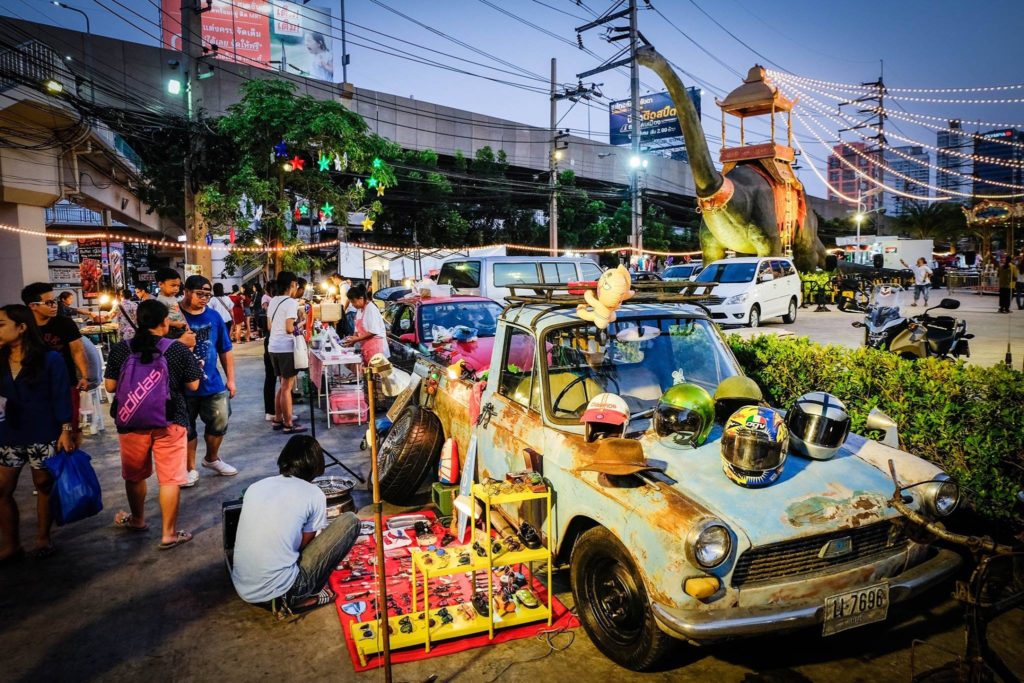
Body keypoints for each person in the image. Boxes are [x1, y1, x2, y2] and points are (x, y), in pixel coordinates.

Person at [104, 300, 203, 550]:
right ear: (164, 322)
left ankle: (137, 520)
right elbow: (194, 386)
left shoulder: (121, 349)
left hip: (132, 422)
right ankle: (168, 534)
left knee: (135, 475)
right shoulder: (177, 350)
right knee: (170, 479)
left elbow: (110, 386)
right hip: (171, 420)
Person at [230, 435, 358, 612]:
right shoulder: (314, 494)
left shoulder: (256, 486)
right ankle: (300, 598)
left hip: (243, 587)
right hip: (284, 592)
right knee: (350, 521)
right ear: (316, 464)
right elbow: (304, 545)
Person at [0, 304, 74, 562]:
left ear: (21, 328)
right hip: (7, 432)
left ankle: (43, 537)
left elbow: (61, 395)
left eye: (1, 325)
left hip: (43, 431)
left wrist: (66, 429)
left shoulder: (49, 359)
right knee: (2, 489)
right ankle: (11, 544)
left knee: (43, 485)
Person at [179, 276, 238, 485]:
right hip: (181, 386)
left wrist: (231, 379)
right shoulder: (174, 316)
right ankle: (189, 469)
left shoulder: (214, 317)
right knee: (186, 428)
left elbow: (225, 349)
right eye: (199, 294)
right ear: (186, 291)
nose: (204, 298)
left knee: (220, 421)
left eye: (207, 295)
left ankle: (212, 458)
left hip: (212, 383)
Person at [20, 283, 89, 433]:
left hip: (66, 383)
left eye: (55, 301)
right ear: (33, 306)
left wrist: (84, 376)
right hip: (35, 385)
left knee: (70, 428)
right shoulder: (23, 327)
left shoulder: (64, 323)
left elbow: (77, 350)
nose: (54, 306)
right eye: (49, 302)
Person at [267, 271, 306, 434]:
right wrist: (301, 324)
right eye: (296, 284)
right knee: (287, 386)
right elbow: (289, 328)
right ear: (291, 284)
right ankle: (288, 423)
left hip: (273, 347)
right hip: (285, 348)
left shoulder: (273, 301)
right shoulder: (290, 302)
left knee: (282, 385)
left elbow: (270, 327)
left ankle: (278, 419)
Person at [342, 284, 390, 364]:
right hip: (366, 347)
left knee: (377, 373)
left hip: (376, 347)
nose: (353, 305)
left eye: (354, 302)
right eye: (351, 302)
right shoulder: (359, 310)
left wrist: (356, 339)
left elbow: (373, 331)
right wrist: (352, 341)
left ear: (361, 298)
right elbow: (357, 331)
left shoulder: (371, 308)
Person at [155, 268, 189, 340]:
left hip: (180, 327)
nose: (176, 289)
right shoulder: (160, 301)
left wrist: (186, 323)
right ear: (160, 284)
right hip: (171, 331)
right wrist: (175, 324)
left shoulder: (172, 297)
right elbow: (160, 320)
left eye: (178, 286)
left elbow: (179, 311)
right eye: (173, 285)